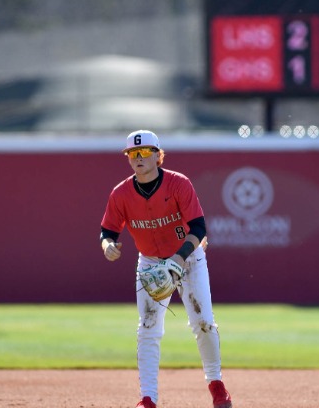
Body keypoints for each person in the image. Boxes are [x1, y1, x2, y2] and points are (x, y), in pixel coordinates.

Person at [100, 129, 233, 408]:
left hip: (189, 259)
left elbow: (198, 227)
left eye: (144, 152)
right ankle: (147, 398)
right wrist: (107, 245)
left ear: (158, 156)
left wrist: (179, 259)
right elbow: (108, 231)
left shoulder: (178, 183)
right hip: (150, 263)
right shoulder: (121, 193)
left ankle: (217, 385)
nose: (138, 157)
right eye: (132, 154)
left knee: (203, 322)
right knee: (148, 327)